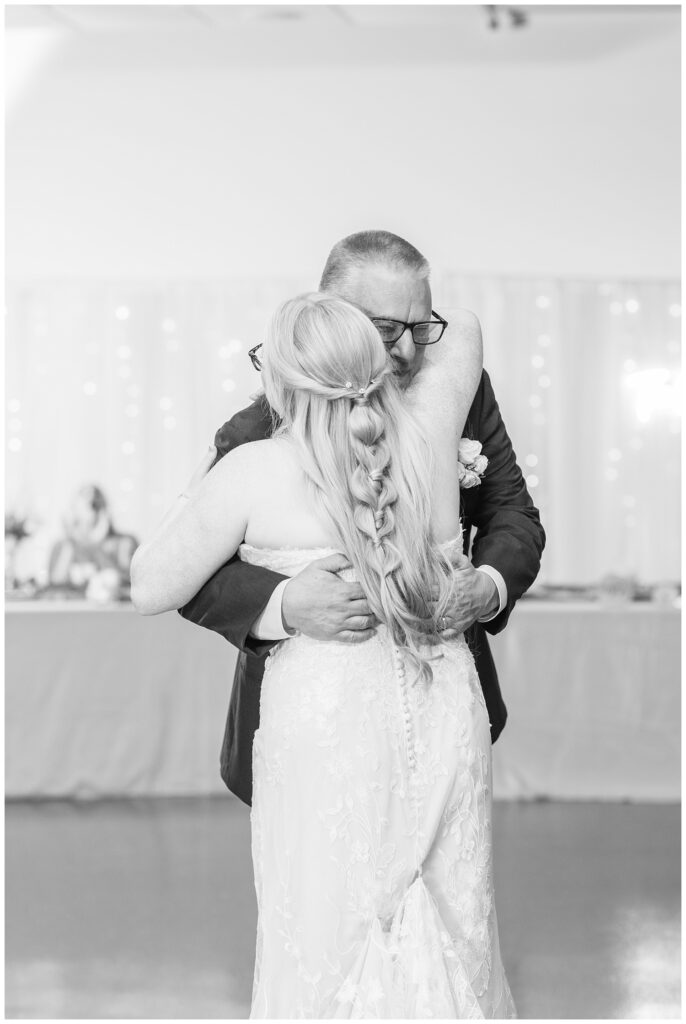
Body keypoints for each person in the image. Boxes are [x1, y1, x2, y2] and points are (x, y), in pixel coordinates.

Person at [132, 289, 517, 1016]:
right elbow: (461, 326)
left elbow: (148, 583)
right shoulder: (431, 437)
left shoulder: (250, 472)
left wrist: (205, 497)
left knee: (326, 933)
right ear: (381, 364)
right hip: (441, 707)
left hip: (327, 718)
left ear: (278, 383)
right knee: (452, 923)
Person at [179, 231, 545, 807]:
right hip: (313, 724)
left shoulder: (461, 392)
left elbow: (512, 512)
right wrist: (283, 605)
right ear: (332, 316)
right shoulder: (259, 426)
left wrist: (488, 585)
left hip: (445, 707)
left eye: (421, 327)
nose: (406, 350)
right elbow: (189, 572)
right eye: (384, 329)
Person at [48, 484, 138, 600]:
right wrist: (71, 538)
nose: (85, 514)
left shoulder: (124, 543)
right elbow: (55, 583)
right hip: (75, 613)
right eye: (78, 507)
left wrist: (97, 541)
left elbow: (131, 583)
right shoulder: (63, 546)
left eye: (93, 506)